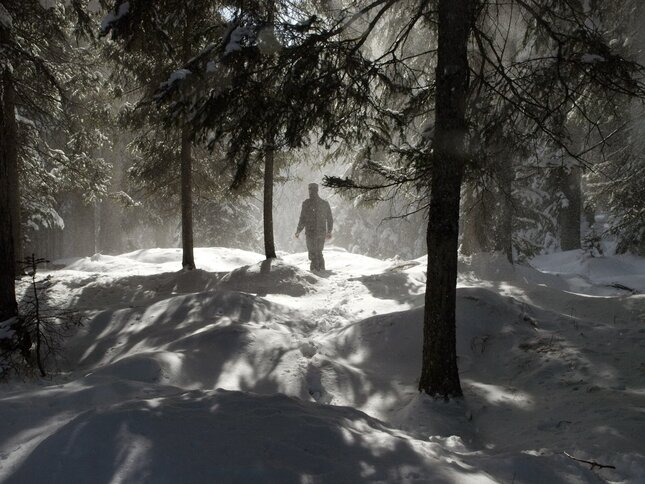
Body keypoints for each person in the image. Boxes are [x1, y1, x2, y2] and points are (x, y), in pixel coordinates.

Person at [295, 183, 333, 272]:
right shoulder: (324, 203)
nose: (310, 192)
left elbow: (302, 219)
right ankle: (321, 270)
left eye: (310, 190)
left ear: (310, 190)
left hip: (310, 232)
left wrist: (298, 231)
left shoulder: (306, 203)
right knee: (318, 252)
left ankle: (315, 272)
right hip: (320, 232)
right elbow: (330, 219)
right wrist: (329, 231)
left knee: (313, 253)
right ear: (317, 190)